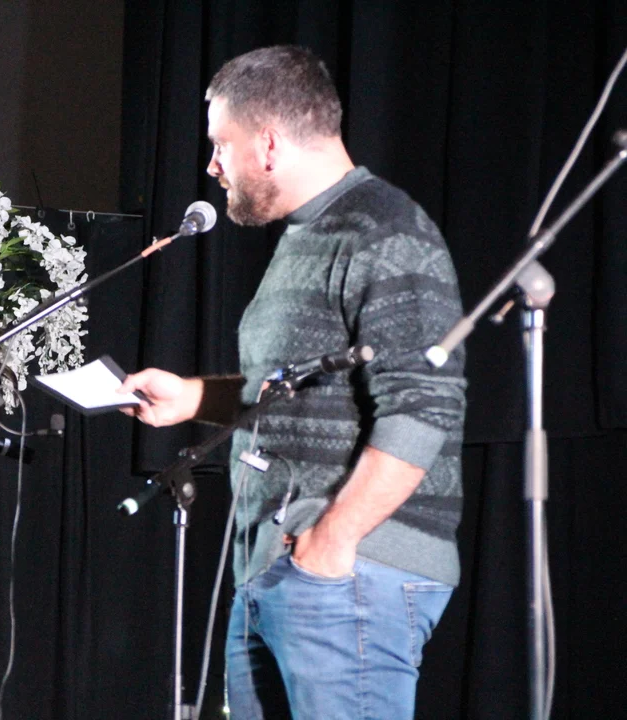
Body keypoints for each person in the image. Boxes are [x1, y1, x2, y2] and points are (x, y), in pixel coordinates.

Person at [118, 46, 467, 719]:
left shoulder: (385, 229)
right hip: (278, 571)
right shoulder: (308, 234)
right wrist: (191, 397)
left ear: (269, 143)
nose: (212, 166)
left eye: (222, 144)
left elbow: (423, 407)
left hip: (347, 575)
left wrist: (331, 542)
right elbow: (289, 390)